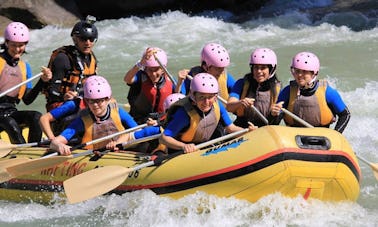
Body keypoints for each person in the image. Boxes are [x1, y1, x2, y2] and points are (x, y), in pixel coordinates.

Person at [160, 73, 256, 154]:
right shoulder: (184, 114)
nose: (206, 102)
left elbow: (231, 128)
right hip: (183, 150)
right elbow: (164, 138)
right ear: (193, 96)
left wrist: (247, 131)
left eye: (210, 97)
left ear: (215, 96)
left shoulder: (217, 106)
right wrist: (184, 146)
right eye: (202, 97)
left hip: (204, 145)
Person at [40, 15, 99, 137]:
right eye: (83, 39)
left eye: (91, 39)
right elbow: (51, 92)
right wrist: (64, 96)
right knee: (81, 112)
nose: (88, 43)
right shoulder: (63, 58)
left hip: (82, 102)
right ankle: (59, 136)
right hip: (60, 106)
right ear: (75, 39)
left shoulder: (92, 58)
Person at [50, 75, 138, 155]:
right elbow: (55, 142)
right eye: (91, 101)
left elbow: (138, 131)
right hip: (93, 156)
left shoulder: (118, 112)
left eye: (99, 101)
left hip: (121, 153)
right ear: (86, 100)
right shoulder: (83, 120)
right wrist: (59, 146)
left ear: (108, 99)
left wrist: (120, 142)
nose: (95, 105)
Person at [270, 51, 350, 133]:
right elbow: (274, 123)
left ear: (314, 73)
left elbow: (345, 115)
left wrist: (336, 134)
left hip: (321, 137)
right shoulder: (287, 92)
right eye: (297, 71)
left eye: (304, 71)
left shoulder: (328, 92)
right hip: (293, 136)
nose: (299, 75)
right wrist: (274, 114)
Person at [0, 22, 52, 144]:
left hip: (10, 111)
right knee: (10, 123)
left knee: (36, 116)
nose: (17, 49)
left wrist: (42, 81)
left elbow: (27, 100)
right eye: (13, 45)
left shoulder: (24, 67)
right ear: (6, 43)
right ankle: (23, 151)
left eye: (21, 45)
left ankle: (33, 151)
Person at [226, 48, 281, 127]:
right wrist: (240, 102)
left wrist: (275, 113)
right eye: (256, 67)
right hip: (243, 127)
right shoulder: (242, 83)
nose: (258, 71)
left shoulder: (278, 90)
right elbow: (229, 107)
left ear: (272, 69)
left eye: (263, 68)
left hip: (267, 129)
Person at [124, 47, 175, 124]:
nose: (153, 74)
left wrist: (180, 81)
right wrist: (140, 63)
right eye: (150, 70)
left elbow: (180, 97)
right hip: (139, 121)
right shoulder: (140, 77)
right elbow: (127, 79)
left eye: (156, 69)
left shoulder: (170, 80)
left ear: (163, 69)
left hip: (161, 122)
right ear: (145, 68)